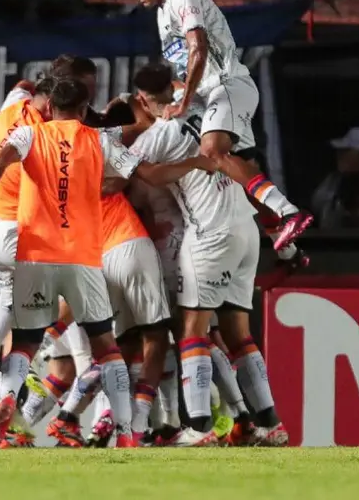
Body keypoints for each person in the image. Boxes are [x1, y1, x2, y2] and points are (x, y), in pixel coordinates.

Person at [0, 78, 217, 449]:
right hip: (82, 258)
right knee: (109, 348)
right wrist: (195, 161)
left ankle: (6, 403)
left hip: (36, 257)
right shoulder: (99, 141)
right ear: (83, 111)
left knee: (25, 344)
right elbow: (151, 174)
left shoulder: (29, 136)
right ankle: (128, 432)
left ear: (50, 109)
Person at [127, 62, 288, 447]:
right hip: (247, 229)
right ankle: (271, 424)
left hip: (210, 234)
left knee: (192, 331)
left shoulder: (161, 132)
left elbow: (121, 170)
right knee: (238, 333)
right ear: (176, 86)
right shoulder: (209, 111)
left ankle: (199, 428)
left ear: (142, 100)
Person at [123, 0, 314, 257]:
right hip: (211, 93)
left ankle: (291, 214)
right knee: (240, 169)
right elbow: (187, 65)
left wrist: (183, 104)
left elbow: (198, 47)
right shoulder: (161, 14)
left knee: (212, 151)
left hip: (226, 85)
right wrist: (180, 94)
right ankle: (287, 248)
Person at [0, 77, 51, 391]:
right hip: (10, 228)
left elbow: (23, 83)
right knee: (66, 282)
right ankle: (46, 353)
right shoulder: (42, 135)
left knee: (9, 293)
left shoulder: (13, 105)